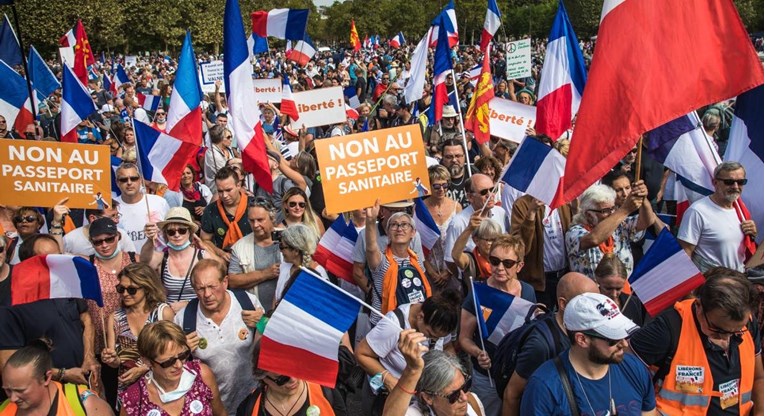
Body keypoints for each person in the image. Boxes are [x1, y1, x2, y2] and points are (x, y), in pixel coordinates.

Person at [629, 268, 762, 415]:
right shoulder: (668, 328)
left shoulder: (748, 322)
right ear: (699, 306)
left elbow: (759, 378)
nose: (726, 338)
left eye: (737, 331)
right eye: (717, 330)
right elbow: (623, 374)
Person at [520, 292, 656, 415]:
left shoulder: (634, 369)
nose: (624, 344)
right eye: (613, 339)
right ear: (582, 339)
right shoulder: (544, 387)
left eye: (624, 335)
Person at [0, 234, 100, 397]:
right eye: (49, 259)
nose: (57, 263)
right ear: (28, 263)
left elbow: (86, 319)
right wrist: (62, 374)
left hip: (82, 384)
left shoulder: (67, 285)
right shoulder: (10, 303)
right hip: (45, 394)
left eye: (59, 256)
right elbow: (8, 362)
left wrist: (89, 358)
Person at [501, 272, 599, 416]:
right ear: (563, 304)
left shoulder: (587, 332)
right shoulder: (540, 345)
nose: (596, 310)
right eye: (587, 303)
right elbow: (511, 395)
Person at [174, 259, 264, 414]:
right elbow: (173, 369)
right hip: (214, 407)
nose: (207, 294)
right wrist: (182, 353)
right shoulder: (183, 320)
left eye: (212, 286)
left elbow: (268, 347)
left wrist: (263, 323)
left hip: (254, 402)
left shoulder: (248, 303)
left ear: (225, 282)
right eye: (200, 288)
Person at [460, 235, 536, 416]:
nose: (500, 268)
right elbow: (464, 338)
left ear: (519, 266)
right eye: (495, 261)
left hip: (517, 373)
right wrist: (478, 353)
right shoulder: (478, 294)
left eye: (507, 263)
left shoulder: (528, 291)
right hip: (487, 376)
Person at [356, 290, 461, 415]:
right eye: (430, 334)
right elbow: (361, 354)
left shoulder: (439, 322)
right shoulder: (393, 325)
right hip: (386, 395)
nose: (435, 340)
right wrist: (389, 381)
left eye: (439, 337)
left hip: (418, 400)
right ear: (420, 316)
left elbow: (447, 347)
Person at [118, 321, 226, 416]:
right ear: (147, 361)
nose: (179, 365)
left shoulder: (202, 376)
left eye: (182, 356)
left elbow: (220, 413)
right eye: (168, 362)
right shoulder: (134, 399)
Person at [101, 263, 174, 394]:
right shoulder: (115, 318)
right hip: (128, 390)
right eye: (121, 289)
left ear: (146, 288)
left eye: (132, 290)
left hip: (159, 387)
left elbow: (173, 353)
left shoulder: (162, 313)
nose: (125, 294)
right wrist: (111, 359)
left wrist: (143, 369)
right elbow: (115, 362)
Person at [383, 330, 486, 416]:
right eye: (454, 395)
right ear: (428, 398)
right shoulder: (413, 413)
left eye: (465, 387)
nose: (464, 397)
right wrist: (412, 370)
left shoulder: (472, 401)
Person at [678, 161, 757, 272]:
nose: (735, 187)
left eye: (740, 182)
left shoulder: (741, 209)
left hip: (737, 276)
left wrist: (752, 233)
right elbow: (685, 254)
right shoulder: (697, 211)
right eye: (729, 182)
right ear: (715, 182)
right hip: (710, 278)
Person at [565, 182, 655, 278]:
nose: (612, 214)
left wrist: (642, 198)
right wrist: (624, 210)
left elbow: (647, 221)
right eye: (605, 211)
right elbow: (594, 239)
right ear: (589, 215)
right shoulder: (575, 232)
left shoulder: (619, 225)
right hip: (592, 287)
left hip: (623, 286)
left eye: (613, 208)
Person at [236, 338, 347, 416]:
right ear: (263, 377)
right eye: (283, 379)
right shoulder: (248, 408)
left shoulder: (327, 394)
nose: (293, 379)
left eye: (296, 370)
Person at [1, 340, 112, 415]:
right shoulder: (4, 410)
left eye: (20, 390)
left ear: (46, 378)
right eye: (8, 390)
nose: (13, 398)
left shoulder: (86, 405)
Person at [365, 201, 432, 325]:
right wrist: (370, 221)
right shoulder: (381, 261)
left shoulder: (416, 260)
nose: (399, 229)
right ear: (388, 233)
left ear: (413, 233)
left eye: (404, 224)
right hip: (384, 325)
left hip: (411, 325)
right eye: (394, 225)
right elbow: (371, 248)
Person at [142, 207, 220, 312]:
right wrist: (149, 240)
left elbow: (221, 271)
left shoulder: (202, 256)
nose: (177, 235)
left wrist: (188, 304)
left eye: (182, 230)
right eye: (171, 232)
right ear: (166, 235)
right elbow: (145, 261)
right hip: (171, 316)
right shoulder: (162, 258)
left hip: (198, 313)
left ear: (190, 233)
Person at [510, 195, 573, 310]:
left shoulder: (563, 201)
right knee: (541, 318)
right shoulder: (522, 205)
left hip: (564, 277)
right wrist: (531, 214)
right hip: (539, 283)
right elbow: (520, 249)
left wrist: (576, 210)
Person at [228, 197, 281, 311]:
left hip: (285, 312)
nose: (256, 225)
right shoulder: (240, 247)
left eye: (260, 220)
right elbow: (232, 281)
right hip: (255, 312)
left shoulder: (288, 239)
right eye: (252, 221)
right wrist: (265, 274)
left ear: (272, 218)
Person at [443, 174, 507, 269]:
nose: (490, 195)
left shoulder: (501, 212)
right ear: (470, 197)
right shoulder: (458, 222)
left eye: (493, 190)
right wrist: (466, 276)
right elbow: (450, 260)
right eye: (484, 192)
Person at [115, 163, 170, 252]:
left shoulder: (159, 202)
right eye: (124, 180)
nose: (129, 183)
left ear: (140, 180)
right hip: (125, 259)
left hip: (157, 257)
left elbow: (171, 230)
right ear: (117, 182)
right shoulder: (112, 207)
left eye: (133, 178)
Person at [422, 165, 462, 290]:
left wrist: (449, 271)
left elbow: (461, 242)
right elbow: (417, 245)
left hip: (453, 270)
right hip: (430, 272)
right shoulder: (420, 209)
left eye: (445, 185)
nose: (441, 189)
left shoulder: (457, 207)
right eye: (436, 186)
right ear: (429, 186)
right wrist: (432, 273)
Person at [200, 167, 252, 260]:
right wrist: (221, 253)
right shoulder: (211, 210)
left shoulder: (254, 205)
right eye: (220, 191)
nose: (224, 195)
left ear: (238, 185)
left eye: (228, 190)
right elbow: (205, 239)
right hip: (225, 260)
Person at [274, 224, 328, 304]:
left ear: (295, 251)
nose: (280, 251)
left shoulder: (318, 272)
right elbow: (276, 299)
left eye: (282, 247)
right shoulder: (284, 267)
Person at [593, 254, 649, 326]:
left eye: (618, 288)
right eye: (608, 288)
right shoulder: (588, 304)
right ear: (597, 279)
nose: (614, 294)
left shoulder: (633, 302)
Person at [450, 215, 502, 291]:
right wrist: (469, 229)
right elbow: (456, 255)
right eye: (488, 240)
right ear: (476, 240)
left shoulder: (503, 259)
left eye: (495, 239)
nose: (491, 243)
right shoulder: (471, 260)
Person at [63, 204, 137, 256]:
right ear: (93, 218)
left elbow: (133, 261)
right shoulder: (70, 239)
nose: (116, 221)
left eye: (110, 239)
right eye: (112, 217)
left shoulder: (121, 234)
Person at [204, 125, 239, 194]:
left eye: (231, 136)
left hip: (230, 187)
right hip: (217, 191)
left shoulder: (228, 149)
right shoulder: (211, 153)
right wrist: (234, 161)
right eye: (228, 137)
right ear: (221, 138)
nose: (231, 139)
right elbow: (225, 172)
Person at [439, 139, 472, 208]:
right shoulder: (436, 177)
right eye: (449, 157)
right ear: (442, 157)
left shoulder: (473, 173)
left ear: (464, 156)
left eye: (458, 156)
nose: (454, 160)